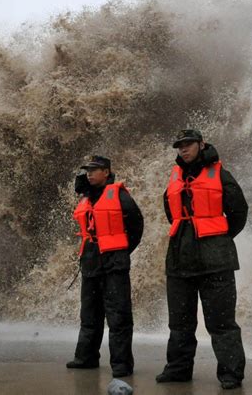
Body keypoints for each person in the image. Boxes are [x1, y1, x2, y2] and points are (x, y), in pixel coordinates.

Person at [156, 130, 248, 390]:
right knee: (180, 322)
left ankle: (231, 374)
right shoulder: (174, 177)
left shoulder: (220, 174)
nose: (183, 150)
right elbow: (170, 211)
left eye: (188, 145)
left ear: (201, 145)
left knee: (221, 322)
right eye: (180, 146)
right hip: (179, 261)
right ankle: (178, 369)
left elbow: (239, 211)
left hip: (216, 261)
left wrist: (219, 238)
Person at [66, 155, 144, 378]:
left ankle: (121, 365)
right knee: (89, 315)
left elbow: (136, 226)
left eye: (95, 169)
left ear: (106, 172)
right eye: (88, 170)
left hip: (114, 265)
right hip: (90, 263)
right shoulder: (86, 198)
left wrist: (121, 251)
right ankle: (86, 358)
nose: (89, 173)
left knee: (118, 316)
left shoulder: (120, 196)